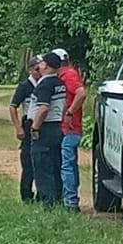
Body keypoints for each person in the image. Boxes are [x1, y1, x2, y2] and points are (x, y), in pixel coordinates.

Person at [29, 53, 67, 210]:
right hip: (57, 126)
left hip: (44, 128)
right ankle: (58, 198)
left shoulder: (45, 84)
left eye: (42, 62)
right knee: (55, 164)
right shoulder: (60, 83)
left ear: (46, 65)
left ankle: (47, 203)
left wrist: (35, 127)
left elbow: (44, 108)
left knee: (42, 165)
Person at [53, 48, 86, 212]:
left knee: (67, 165)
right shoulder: (67, 74)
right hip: (71, 128)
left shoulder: (68, 75)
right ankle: (70, 199)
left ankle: (70, 202)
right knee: (70, 163)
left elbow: (81, 93)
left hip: (70, 128)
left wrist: (69, 112)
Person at [9, 55, 43, 203]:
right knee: (27, 161)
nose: (39, 71)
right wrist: (18, 127)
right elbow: (13, 107)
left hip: (43, 124)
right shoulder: (24, 87)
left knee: (42, 160)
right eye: (37, 69)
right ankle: (26, 195)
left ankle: (42, 194)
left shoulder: (45, 83)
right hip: (28, 124)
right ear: (30, 70)